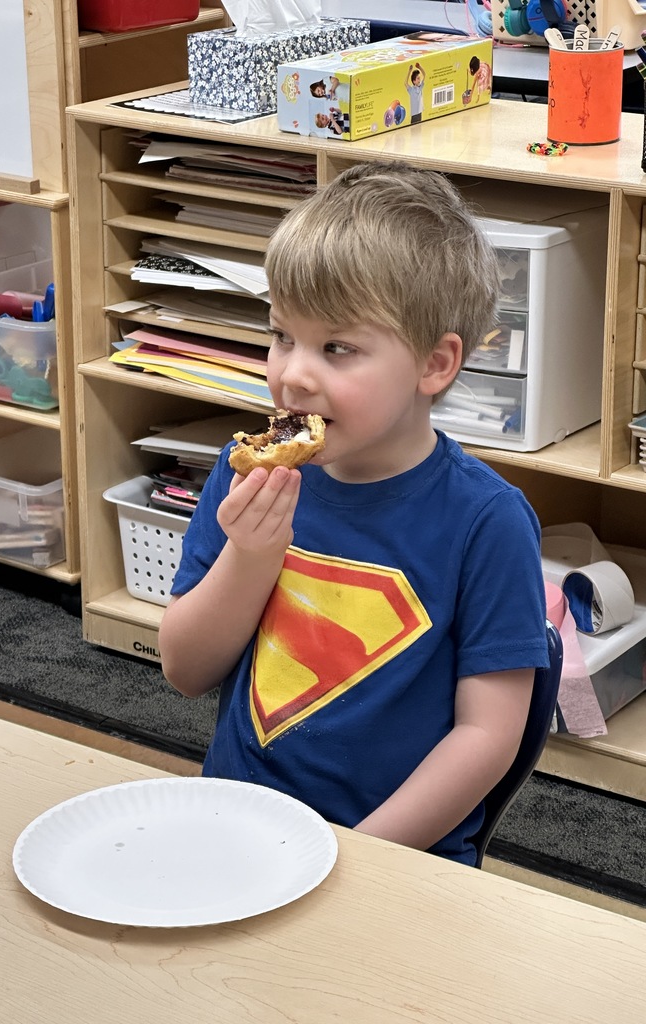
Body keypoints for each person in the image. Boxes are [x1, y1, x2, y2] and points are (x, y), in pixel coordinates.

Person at [158, 161, 549, 867]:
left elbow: (487, 739)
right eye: (282, 335)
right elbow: (185, 669)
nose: (293, 374)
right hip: (239, 825)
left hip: (395, 857)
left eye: (337, 348)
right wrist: (251, 556)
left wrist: (356, 858)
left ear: (435, 364)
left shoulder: (486, 521)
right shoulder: (246, 472)